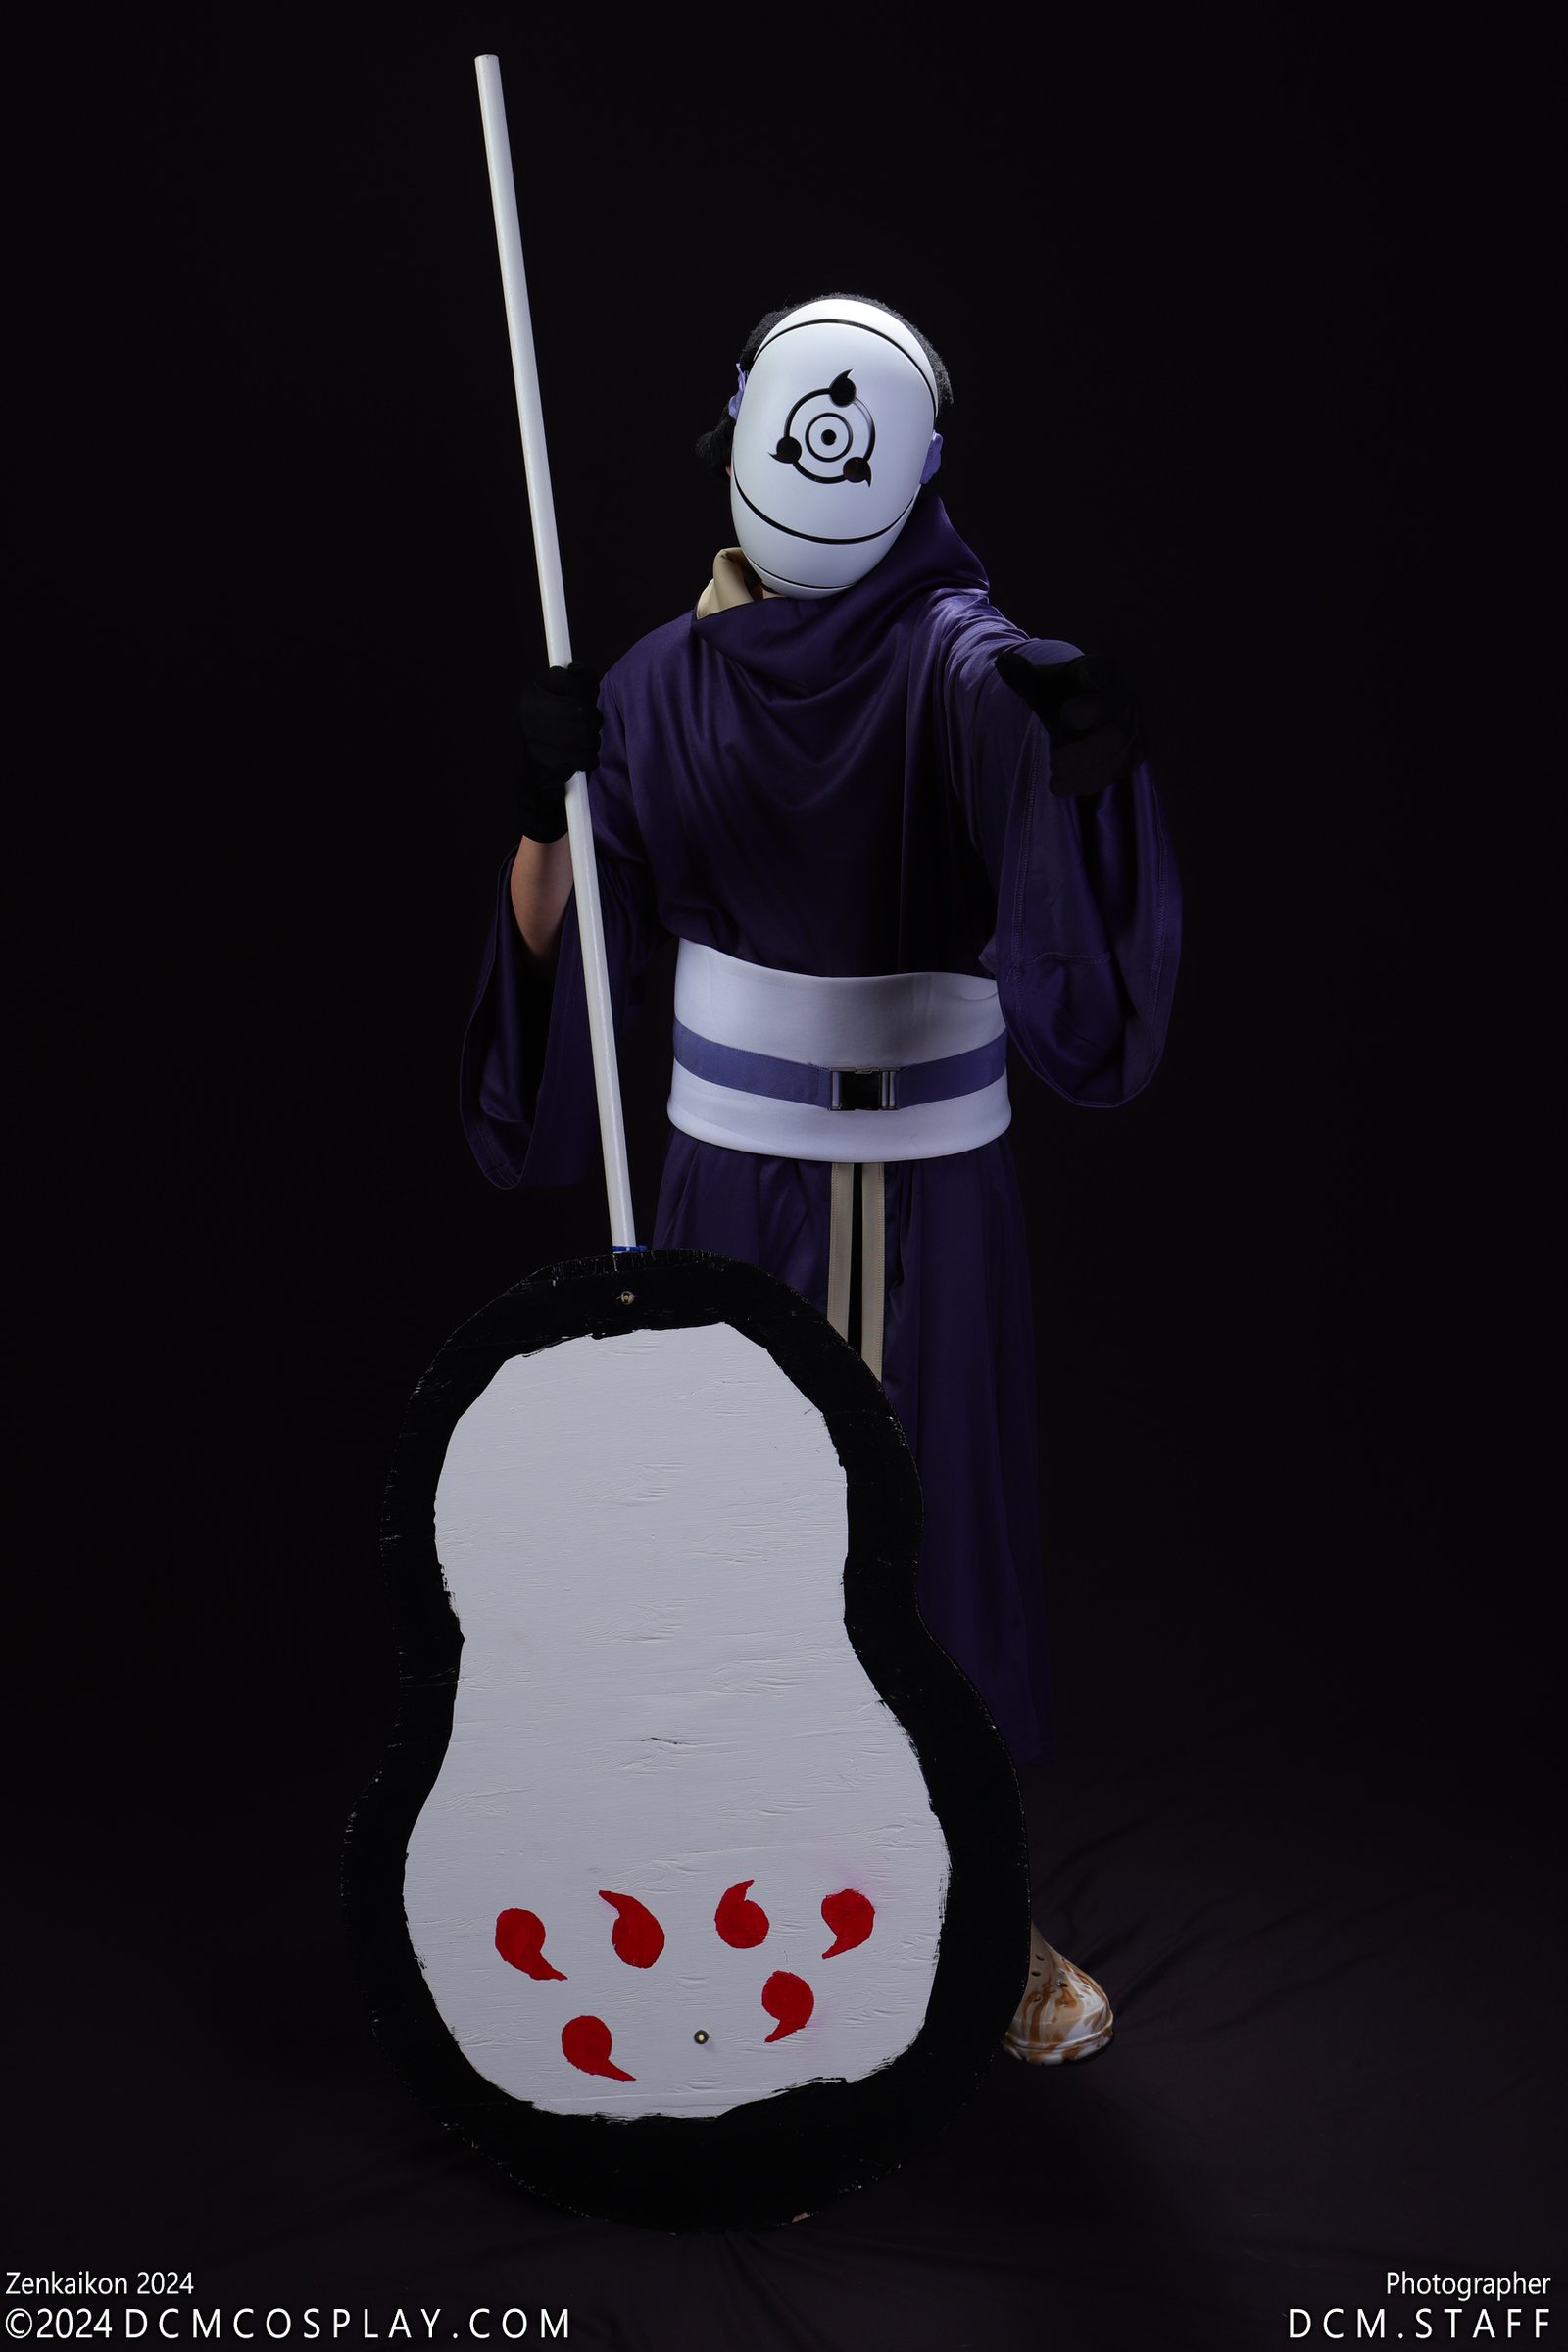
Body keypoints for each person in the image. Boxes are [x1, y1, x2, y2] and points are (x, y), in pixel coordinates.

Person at [461, 294, 1181, 2063]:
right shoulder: (656, 684)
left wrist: (1087, 780)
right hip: (733, 1176)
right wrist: (548, 809)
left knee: (932, 1547)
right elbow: (563, 986)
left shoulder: (967, 670)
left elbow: (1083, 987)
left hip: (933, 1189)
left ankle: (969, 1915)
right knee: (726, 1549)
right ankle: (743, 1944)